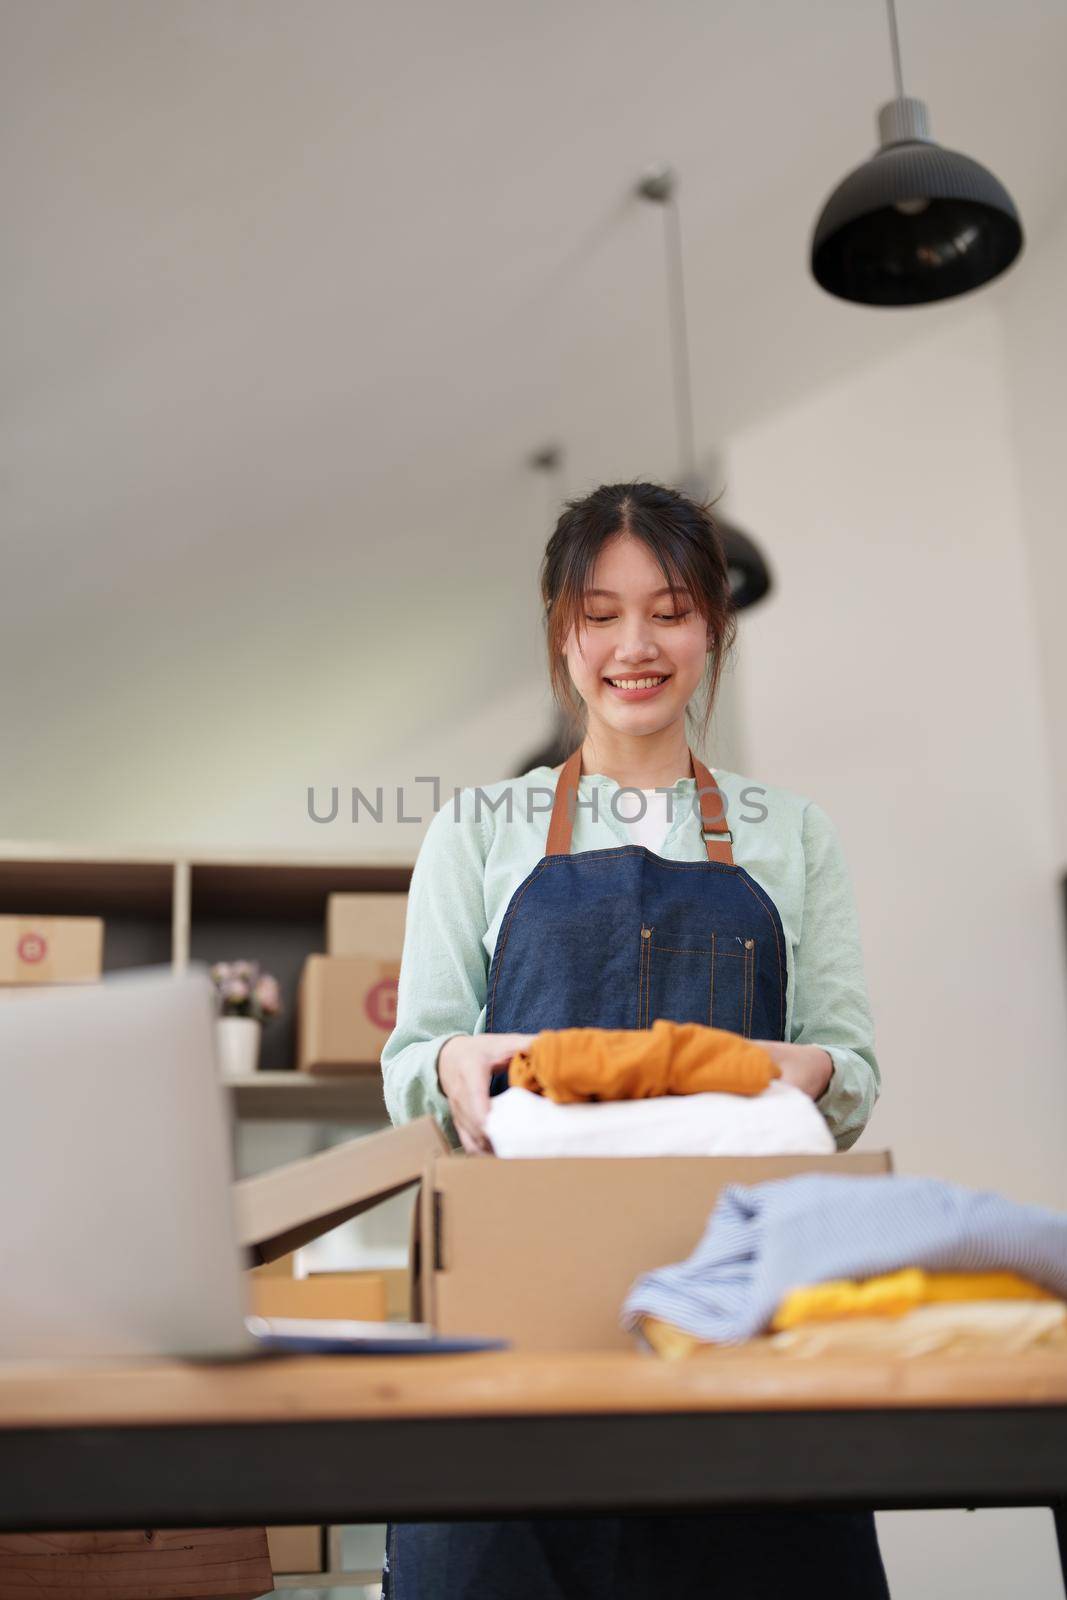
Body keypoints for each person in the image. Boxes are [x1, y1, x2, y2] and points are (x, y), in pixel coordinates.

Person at [379, 480, 888, 1598]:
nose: (634, 644)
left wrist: (809, 1073)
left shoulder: (790, 833)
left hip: (741, 1305)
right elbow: (413, 1061)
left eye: (666, 609)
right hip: (523, 1316)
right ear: (561, 634)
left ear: (712, 623)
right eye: (599, 614)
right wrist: (454, 1067)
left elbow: (847, 1067)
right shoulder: (477, 827)